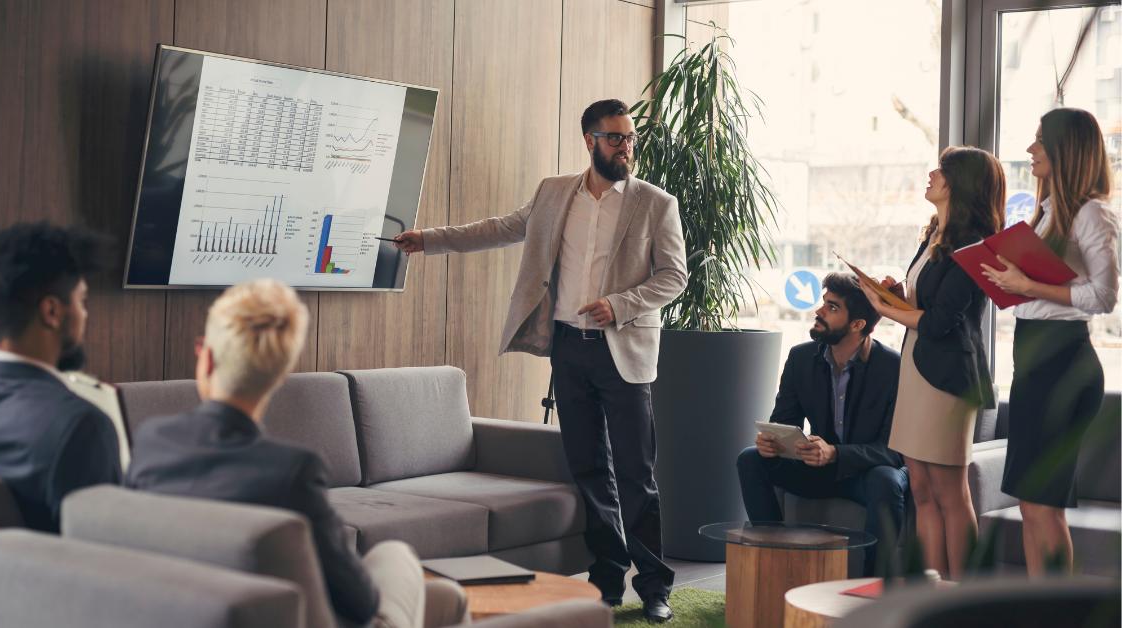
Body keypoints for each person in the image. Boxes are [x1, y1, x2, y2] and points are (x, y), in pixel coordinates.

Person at [393, 99, 687, 621]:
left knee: (636, 474)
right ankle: (606, 582)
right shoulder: (554, 193)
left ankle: (656, 588)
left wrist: (619, 305)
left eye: (631, 138)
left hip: (625, 353)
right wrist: (429, 240)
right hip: (569, 349)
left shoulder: (655, 203)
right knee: (589, 470)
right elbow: (500, 228)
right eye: (616, 138)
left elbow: (673, 277)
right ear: (590, 140)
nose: (627, 147)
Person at [125, 279, 466, 628]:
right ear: (283, 374)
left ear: (206, 355)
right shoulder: (291, 472)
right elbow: (360, 604)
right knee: (398, 556)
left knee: (446, 598)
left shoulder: (151, 443)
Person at [980, 108, 1118, 577]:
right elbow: (1032, 290)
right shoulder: (1047, 212)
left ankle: (1058, 613)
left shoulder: (1093, 212)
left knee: (1045, 506)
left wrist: (1027, 285)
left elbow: (1104, 297)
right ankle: (1039, 608)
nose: (1030, 149)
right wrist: (1007, 282)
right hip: (1035, 361)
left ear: (1066, 149)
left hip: (1063, 363)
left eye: (1040, 141)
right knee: (1030, 504)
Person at [0, 221, 122, 532]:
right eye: (82, 301)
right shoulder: (81, 427)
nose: (85, 315)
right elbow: (101, 555)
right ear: (52, 312)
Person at [860, 146, 1002, 580]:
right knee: (920, 489)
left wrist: (886, 311)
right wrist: (897, 296)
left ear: (962, 184)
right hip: (918, 369)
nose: (932, 173)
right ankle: (933, 591)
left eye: (943, 170)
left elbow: (942, 322)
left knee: (949, 493)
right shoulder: (935, 236)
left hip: (948, 378)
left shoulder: (976, 246)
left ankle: (963, 600)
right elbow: (927, 306)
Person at [737, 273, 907, 577]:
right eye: (823, 303)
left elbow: (894, 452)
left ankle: (873, 587)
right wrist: (772, 442)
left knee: (888, 480)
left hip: (864, 474)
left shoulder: (893, 367)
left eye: (831, 307)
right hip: (816, 468)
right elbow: (783, 422)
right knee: (750, 459)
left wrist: (835, 454)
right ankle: (775, 567)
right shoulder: (801, 357)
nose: (818, 311)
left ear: (857, 325)